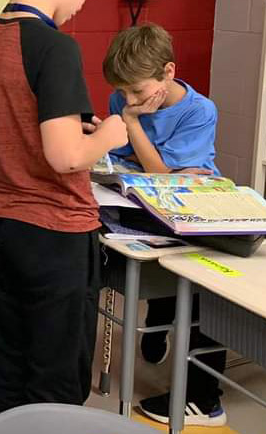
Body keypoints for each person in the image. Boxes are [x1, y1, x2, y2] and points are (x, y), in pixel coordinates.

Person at [0, 0, 127, 423]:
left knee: (8, 361)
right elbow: (65, 155)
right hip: (54, 235)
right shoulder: (55, 46)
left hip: (2, 227)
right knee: (56, 377)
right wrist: (111, 135)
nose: (79, 7)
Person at [103, 23, 226, 427]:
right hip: (144, 214)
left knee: (199, 292)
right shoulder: (124, 100)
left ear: (168, 73)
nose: (129, 100)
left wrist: (132, 125)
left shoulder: (198, 110)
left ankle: (203, 396)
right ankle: (157, 320)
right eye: (123, 93)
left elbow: (158, 176)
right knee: (160, 284)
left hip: (191, 217)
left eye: (137, 91)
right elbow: (122, 161)